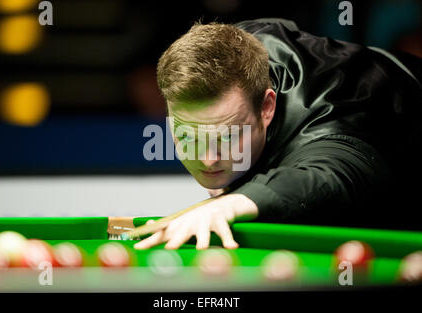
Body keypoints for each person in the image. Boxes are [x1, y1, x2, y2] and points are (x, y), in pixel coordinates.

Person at [134, 18, 422, 250]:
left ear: (266, 107)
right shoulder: (230, 56)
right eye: (190, 136)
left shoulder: (327, 118)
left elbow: (329, 175)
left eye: (227, 136)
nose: (208, 159)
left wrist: (231, 204)